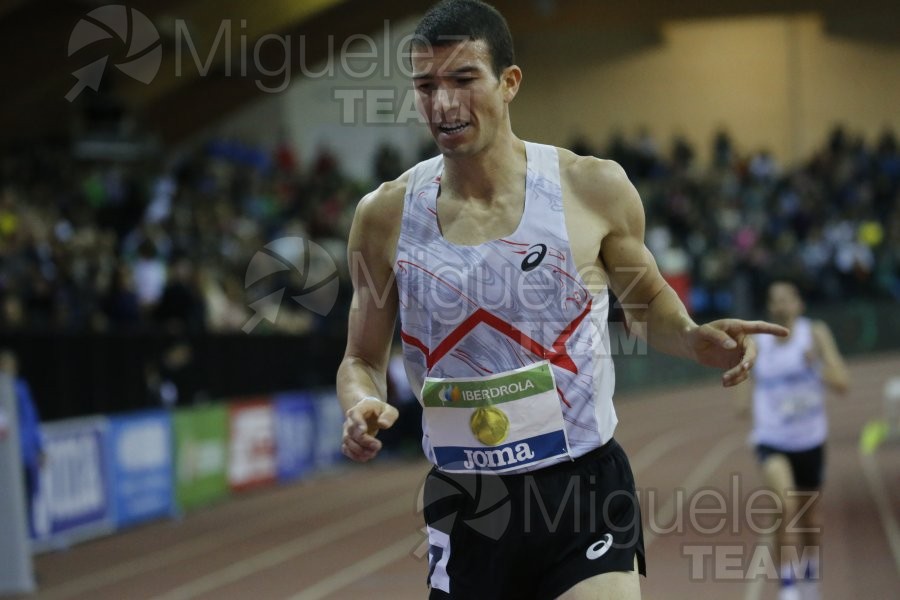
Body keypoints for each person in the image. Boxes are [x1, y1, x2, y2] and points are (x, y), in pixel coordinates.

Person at [336, 2, 788, 598]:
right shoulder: (385, 217)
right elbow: (361, 359)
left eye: (464, 79)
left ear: (510, 82)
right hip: (469, 501)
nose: (443, 104)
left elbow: (647, 300)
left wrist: (691, 335)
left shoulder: (589, 188)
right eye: (426, 86)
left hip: (583, 488)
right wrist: (361, 403)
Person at [737, 280, 848, 600]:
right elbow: (742, 384)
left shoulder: (815, 334)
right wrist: (741, 391)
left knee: (811, 516)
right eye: (774, 301)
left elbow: (842, 383)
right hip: (771, 439)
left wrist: (818, 365)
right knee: (783, 505)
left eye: (786, 300)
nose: (780, 306)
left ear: (799, 304)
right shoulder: (757, 340)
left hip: (810, 439)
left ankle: (810, 574)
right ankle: (787, 585)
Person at [0, 349, 44, 538]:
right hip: (8, 461)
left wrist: (39, 447)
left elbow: (31, 419)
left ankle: (24, 554)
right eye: (6, 366)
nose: (11, 369)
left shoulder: (21, 388)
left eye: (12, 366)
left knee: (27, 502)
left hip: (25, 456)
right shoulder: (6, 391)